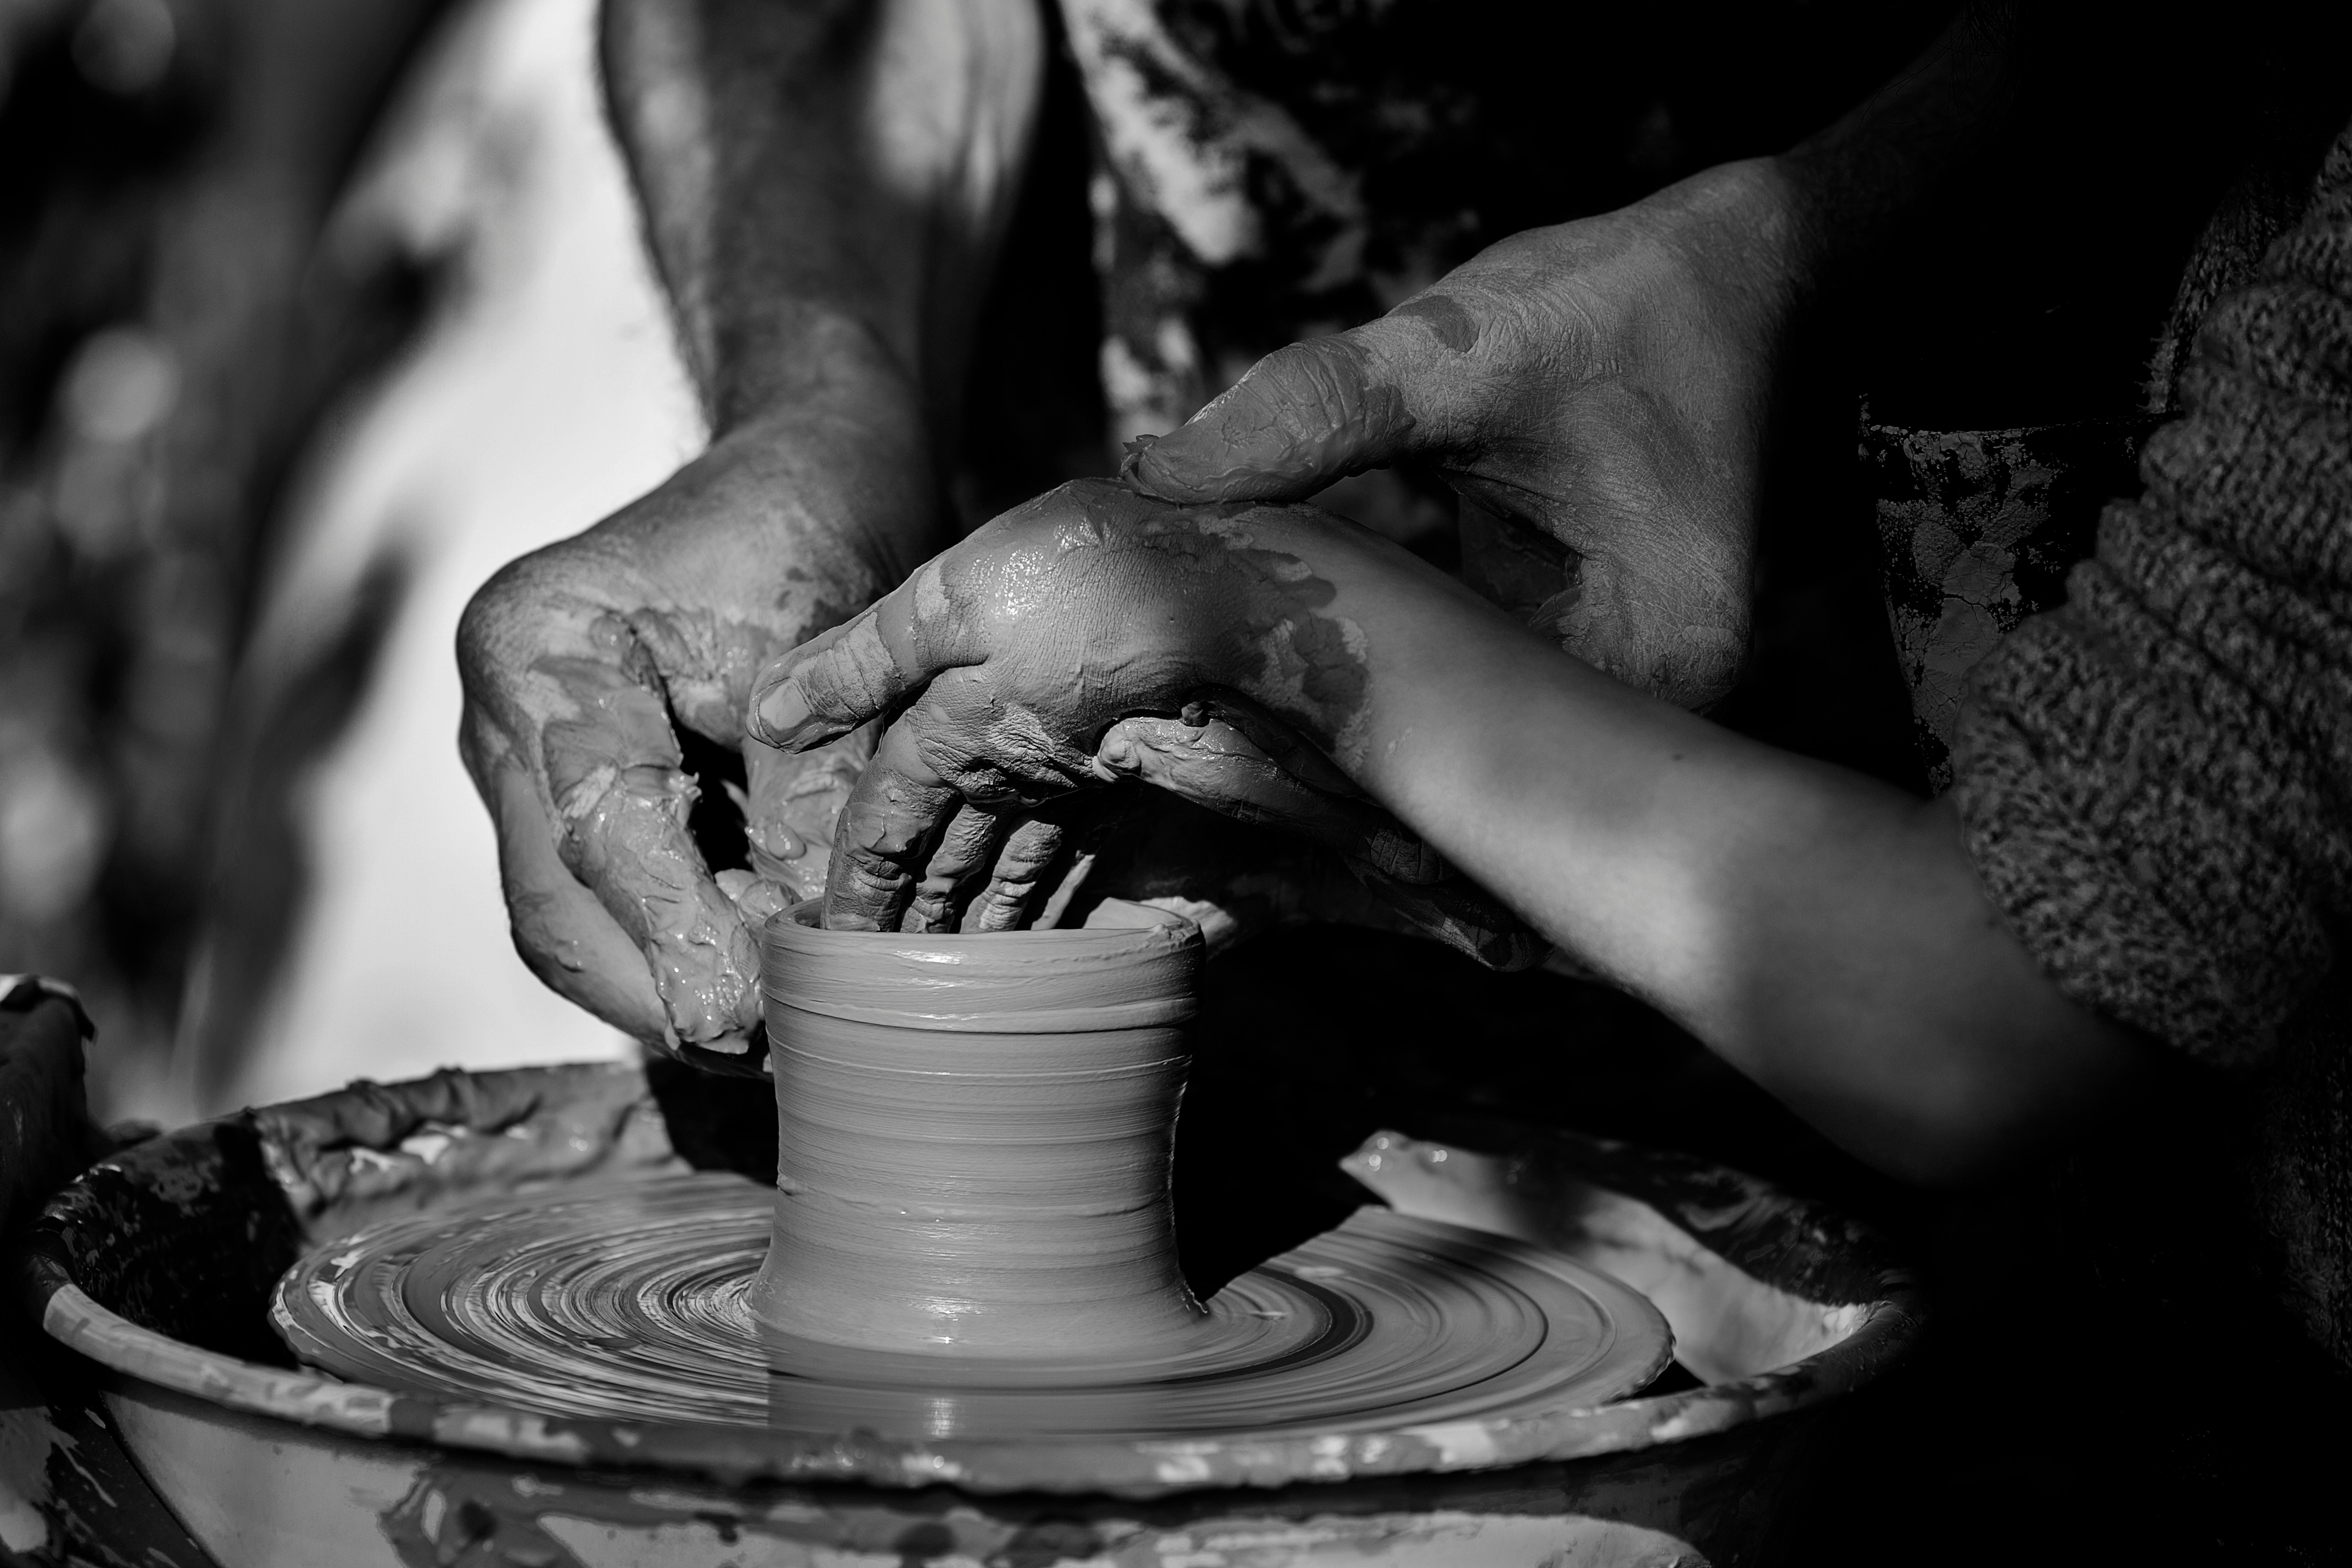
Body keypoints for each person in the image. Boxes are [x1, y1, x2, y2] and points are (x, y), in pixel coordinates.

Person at [461, 0, 2352, 1488]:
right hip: (1152, 715)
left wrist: (1815, 223)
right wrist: (813, 409)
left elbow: (2043, 975)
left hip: (1956, 775)